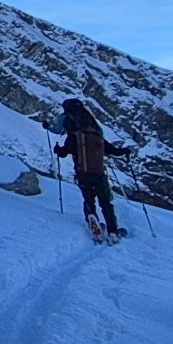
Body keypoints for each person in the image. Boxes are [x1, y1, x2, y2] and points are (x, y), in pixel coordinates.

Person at [55, 97, 129, 238]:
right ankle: (113, 232)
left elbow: (64, 152)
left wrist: (58, 150)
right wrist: (124, 151)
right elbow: (112, 150)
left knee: (89, 200)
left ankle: (93, 223)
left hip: (82, 173)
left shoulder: (74, 135)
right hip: (99, 173)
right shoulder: (95, 132)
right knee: (105, 202)